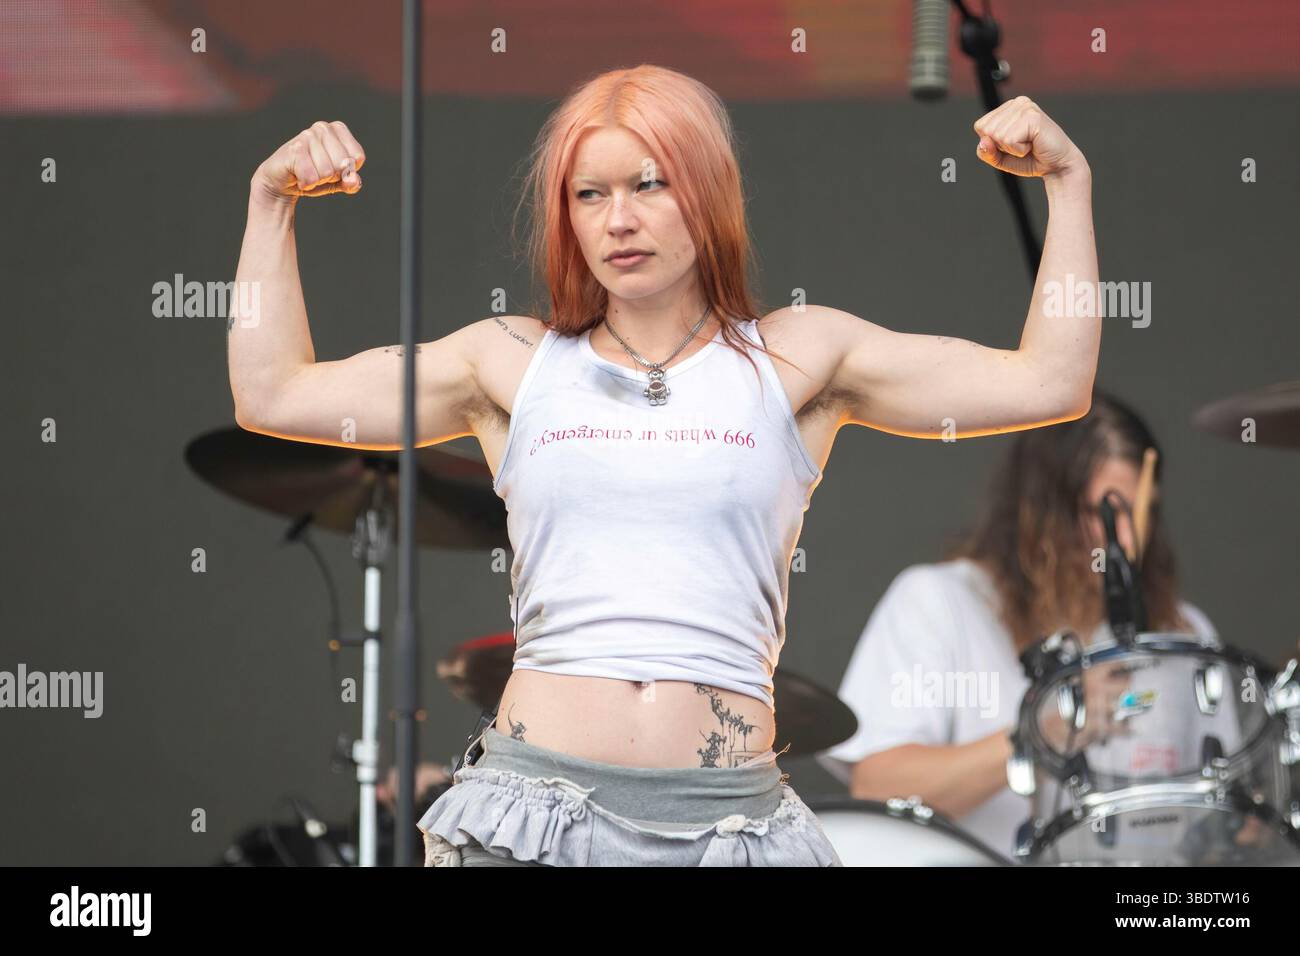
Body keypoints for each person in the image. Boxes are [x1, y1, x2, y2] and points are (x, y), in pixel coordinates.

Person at [226, 64, 1099, 866]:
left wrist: (1069, 185)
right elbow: (273, 394)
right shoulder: (511, 363)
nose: (620, 219)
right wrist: (272, 202)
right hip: (537, 812)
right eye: (589, 193)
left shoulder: (800, 358)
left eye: (650, 184)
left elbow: (1051, 383)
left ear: (708, 193)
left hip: (731, 823)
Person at [818, 392, 1228, 857]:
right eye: (1103, 514)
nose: (1125, 541)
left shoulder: (1184, 634)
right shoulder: (940, 603)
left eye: (1140, 514)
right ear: (1040, 509)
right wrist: (1046, 730)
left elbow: (1238, 813)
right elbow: (879, 790)